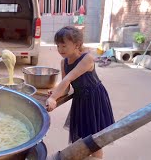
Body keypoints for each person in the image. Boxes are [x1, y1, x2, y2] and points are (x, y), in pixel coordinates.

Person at [46, 26, 115, 159]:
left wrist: (54, 98)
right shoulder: (63, 62)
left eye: (64, 46)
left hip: (95, 100)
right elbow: (67, 87)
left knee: (95, 140)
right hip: (80, 101)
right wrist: (56, 92)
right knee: (82, 139)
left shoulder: (87, 59)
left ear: (77, 45)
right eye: (58, 46)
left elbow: (68, 78)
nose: (60, 50)